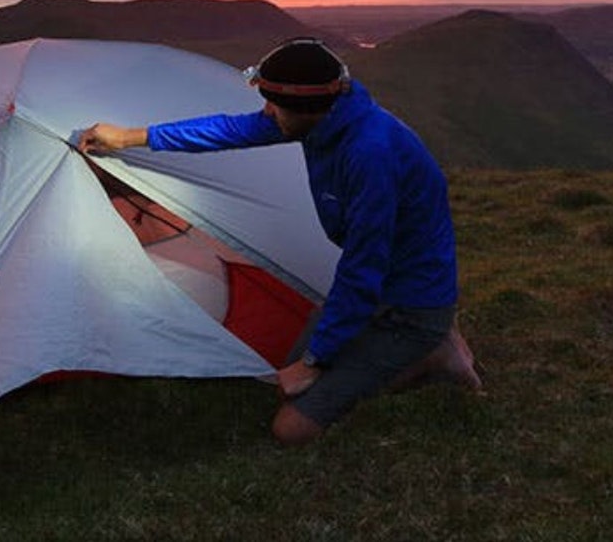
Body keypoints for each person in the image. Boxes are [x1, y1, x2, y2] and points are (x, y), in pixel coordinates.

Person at [78, 37, 481, 445]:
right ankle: (427, 343)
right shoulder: (329, 119)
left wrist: (314, 360)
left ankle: (431, 349)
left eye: (274, 103)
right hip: (383, 290)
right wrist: (129, 137)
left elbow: (363, 270)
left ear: (306, 107)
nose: (267, 111)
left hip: (409, 304)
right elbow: (229, 130)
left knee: (291, 428)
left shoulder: (369, 154)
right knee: (287, 372)